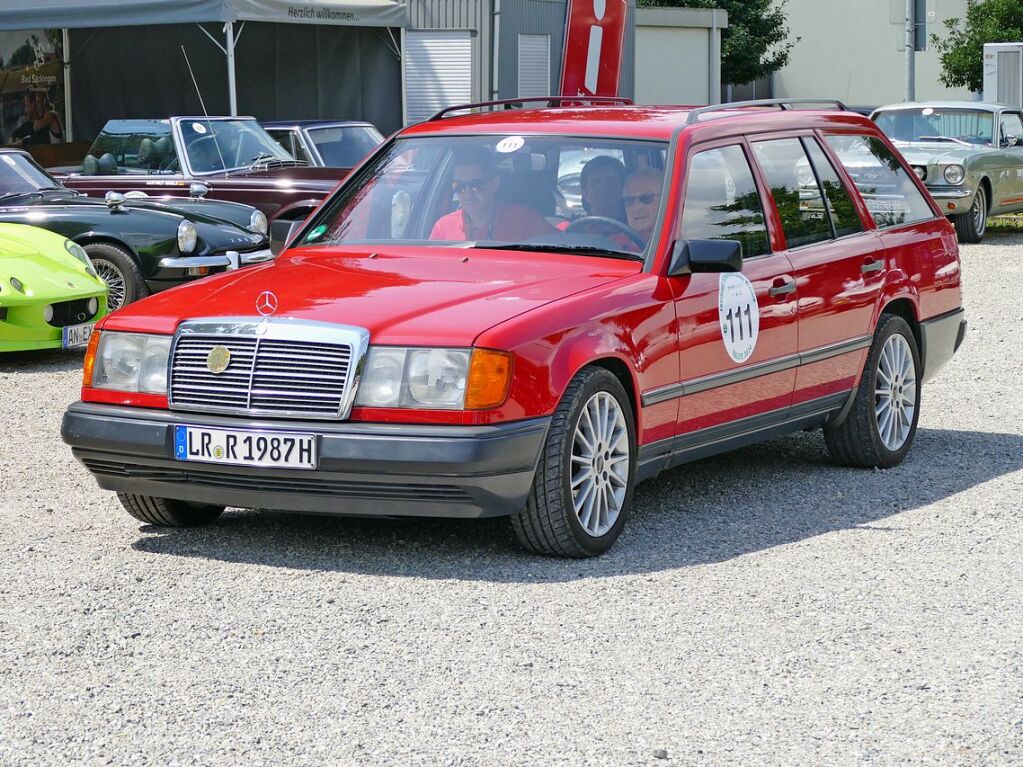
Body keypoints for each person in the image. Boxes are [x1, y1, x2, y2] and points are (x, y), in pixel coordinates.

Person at [430, 147, 554, 241]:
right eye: (460, 186)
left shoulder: (525, 220)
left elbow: (563, 244)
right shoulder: (443, 228)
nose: (468, 194)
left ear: (495, 184)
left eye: (476, 185)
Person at [623, 168, 664, 246]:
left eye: (646, 198)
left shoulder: (677, 243)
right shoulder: (612, 245)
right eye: (629, 200)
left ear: (664, 199)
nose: (636, 208)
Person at [579, 155, 626, 221]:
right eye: (595, 182)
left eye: (610, 181)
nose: (603, 188)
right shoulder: (570, 230)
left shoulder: (637, 228)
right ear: (585, 193)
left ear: (623, 188)